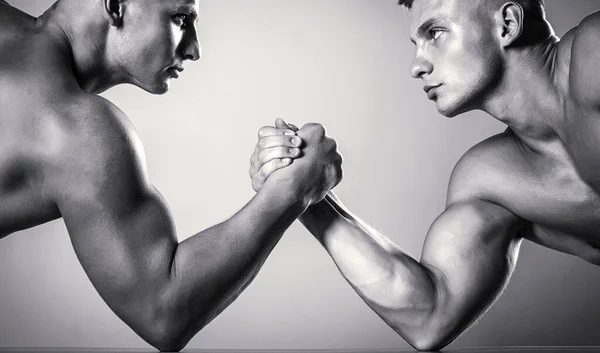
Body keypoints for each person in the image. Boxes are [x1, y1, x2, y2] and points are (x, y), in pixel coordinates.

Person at [250, 0, 600, 351]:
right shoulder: (490, 180)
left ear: (507, 23)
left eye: (436, 32)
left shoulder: (594, 50)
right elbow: (431, 317)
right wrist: (309, 199)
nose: (417, 65)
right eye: (416, 45)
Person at [0, 0, 342, 351]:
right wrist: (292, 192)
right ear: (116, 5)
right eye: (180, 18)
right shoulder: (79, 135)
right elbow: (162, 311)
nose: (194, 49)